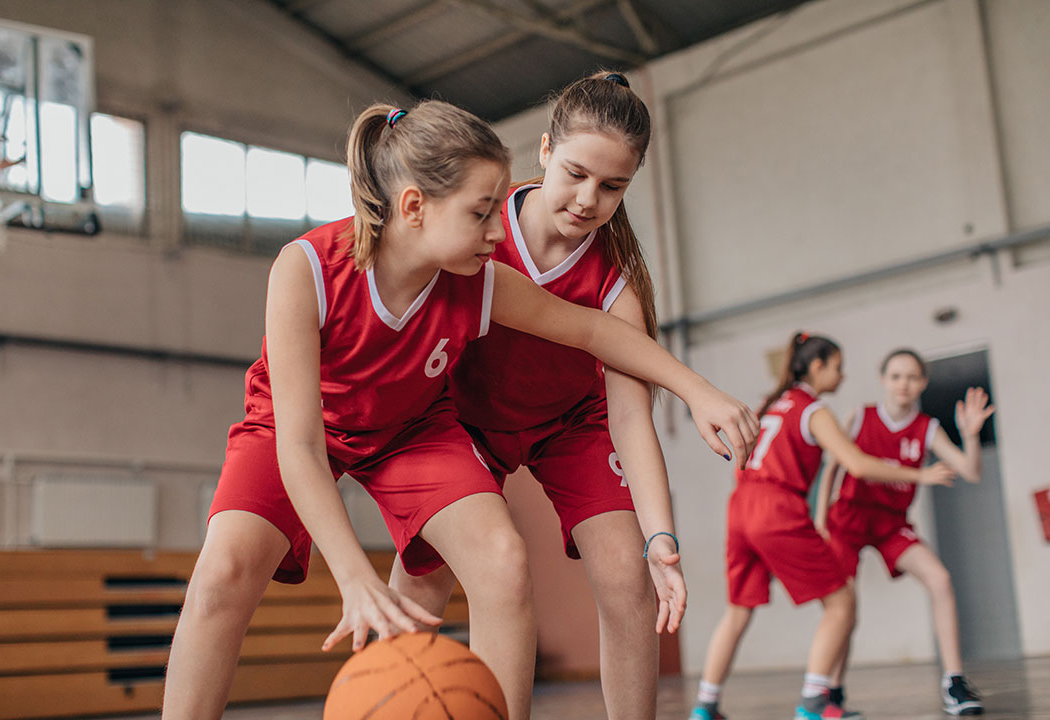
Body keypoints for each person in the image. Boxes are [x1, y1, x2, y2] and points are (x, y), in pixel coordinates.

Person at [162, 99, 759, 720]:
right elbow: (301, 446)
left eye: (496, 211)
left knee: (503, 560)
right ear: (414, 207)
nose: (498, 233)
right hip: (300, 428)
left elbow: (592, 330)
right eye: (481, 213)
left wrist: (698, 391)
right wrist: (353, 575)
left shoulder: (480, 280)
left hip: (413, 431)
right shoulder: (307, 267)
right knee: (223, 573)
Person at [387, 70, 703, 719]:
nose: (588, 199)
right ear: (545, 151)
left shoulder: (617, 283)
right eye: (576, 174)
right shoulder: (480, 226)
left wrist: (660, 537)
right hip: (464, 418)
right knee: (423, 577)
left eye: (612, 186)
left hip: (571, 424)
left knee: (628, 578)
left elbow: (631, 421)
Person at [691, 333, 954, 720]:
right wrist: (922, 475)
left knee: (737, 611)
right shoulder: (813, 410)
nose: (842, 376)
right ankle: (815, 703)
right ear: (818, 367)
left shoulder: (769, 402)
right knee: (842, 602)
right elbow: (857, 464)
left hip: (741, 505)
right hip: (776, 508)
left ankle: (705, 706)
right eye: (838, 367)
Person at [815, 348, 993, 716]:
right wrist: (820, 521)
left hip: (891, 523)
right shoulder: (859, 416)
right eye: (896, 376)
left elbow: (971, 471)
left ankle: (954, 682)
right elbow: (831, 469)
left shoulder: (927, 428)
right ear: (883, 379)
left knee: (940, 579)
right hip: (847, 519)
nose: (904, 384)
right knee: (845, 609)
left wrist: (971, 437)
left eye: (912, 377)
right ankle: (832, 691)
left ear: (923, 383)